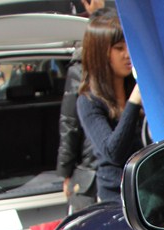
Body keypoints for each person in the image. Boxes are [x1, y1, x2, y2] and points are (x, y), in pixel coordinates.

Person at [76, 9, 144, 203]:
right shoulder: (88, 101)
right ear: (101, 54)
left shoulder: (136, 88)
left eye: (128, 46)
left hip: (148, 187)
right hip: (116, 197)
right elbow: (113, 153)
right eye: (119, 48)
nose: (127, 54)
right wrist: (133, 103)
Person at [56, 2, 106, 212]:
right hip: (91, 175)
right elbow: (70, 123)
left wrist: (65, 172)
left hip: (96, 173)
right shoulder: (81, 69)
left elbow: (69, 124)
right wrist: (66, 172)